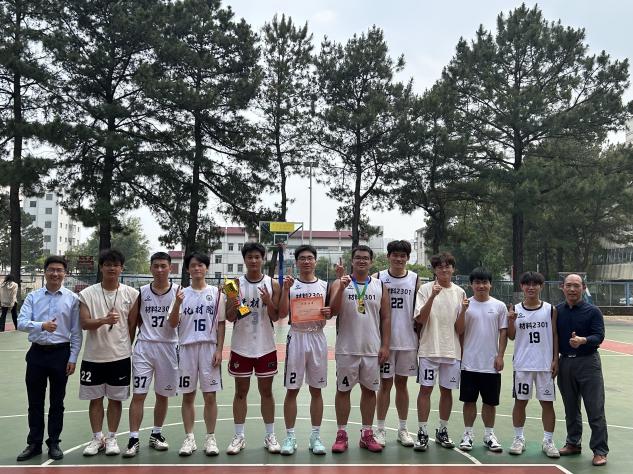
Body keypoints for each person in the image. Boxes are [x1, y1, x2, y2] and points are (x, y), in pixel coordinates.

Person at [15, 256, 82, 461]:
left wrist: (73, 358)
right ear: (45, 272)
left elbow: (76, 332)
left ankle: (54, 442)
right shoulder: (33, 297)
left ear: (65, 273)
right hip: (36, 354)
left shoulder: (72, 299)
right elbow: (21, 322)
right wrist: (41, 326)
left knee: (57, 402)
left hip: (60, 354)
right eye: (51, 269)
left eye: (59, 270)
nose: (55, 273)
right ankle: (34, 444)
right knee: (35, 402)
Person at [329, 245, 391, 453]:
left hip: (371, 349)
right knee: (343, 391)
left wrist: (385, 345)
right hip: (347, 348)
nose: (362, 261)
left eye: (365, 258)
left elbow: (386, 317)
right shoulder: (340, 282)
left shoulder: (380, 285)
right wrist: (341, 286)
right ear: (352, 261)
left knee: (369, 391)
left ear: (371, 262)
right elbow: (333, 311)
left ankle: (367, 434)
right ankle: (341, 434)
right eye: (358, 258)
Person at [79, 248, 139, 456]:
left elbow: (132, 325)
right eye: (107, 265)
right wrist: (104, 320)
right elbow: (84, 323)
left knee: (115, 399)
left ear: (122, 268)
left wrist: (124, 346)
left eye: (115, 265)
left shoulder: (132, 294)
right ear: (101, 267)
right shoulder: (87, 294)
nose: (112, 268)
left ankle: (112, 437)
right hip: (93, 356)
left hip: (120, 357)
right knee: (95, 400)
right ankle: (97, 438)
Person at [225, 242, 281, 454]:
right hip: (241, 346)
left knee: (266, 392)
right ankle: (239, 436)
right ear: (244, 259)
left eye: (257, 257)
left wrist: (268, 301)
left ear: (263, 259)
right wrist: (236, 305)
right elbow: (230, 317)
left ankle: (270, 435)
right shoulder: (233, 284)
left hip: (265, 346)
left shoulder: (272, 284)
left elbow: (276, 316)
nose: (254, 260)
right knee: (240, 392)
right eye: (250, 257)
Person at [123, 252, 180, 457]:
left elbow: (178, 322)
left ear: (170, 268)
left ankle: (156, 434)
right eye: (156, 266)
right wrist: (128, 348)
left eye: (163, 266)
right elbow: (134, 322)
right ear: (150, 268)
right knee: (139, 394)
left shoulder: (178, 291)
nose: (159, 270)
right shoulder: (142, 292)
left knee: (162, 395)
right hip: (145, 348)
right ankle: (133, 438)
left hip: (169, 347)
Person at [277, 245, 331, 455]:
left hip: (317, 337)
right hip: (297, 337)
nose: (306, 261)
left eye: (310, 258)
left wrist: (328, 312)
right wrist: (285, 290)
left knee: (316, 390)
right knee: (292, 389)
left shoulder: (325, 286)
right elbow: (282, 313)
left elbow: (331, 312)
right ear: (297, 262)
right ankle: (290, 437)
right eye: (302, 258)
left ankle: (315, 437)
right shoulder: (291, 285)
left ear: (315, 261)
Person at [170, 252, 225, 456]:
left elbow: (221, 323)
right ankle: (189, 438)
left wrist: (219, 349)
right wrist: (177, 303)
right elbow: (172, 323)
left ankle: (210, 438)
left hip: (209, 348)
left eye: (201, 265)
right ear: (187, 269)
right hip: (187, 348)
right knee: (188, 395)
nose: (197, 268)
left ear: (206, 268)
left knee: (210, 396)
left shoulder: (217, 293)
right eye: (193, 265)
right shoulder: (180, 294)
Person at [412, 251, 466, 451]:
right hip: (429, 349)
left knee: (447, 391)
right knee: (425, 390)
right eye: (440, 266)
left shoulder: (460, 292)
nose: (444, 269)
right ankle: (422, 431)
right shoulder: (425, 290)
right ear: (434, 270)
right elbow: (420, 319)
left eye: (447, 266)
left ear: (453, 269)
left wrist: (464, 311)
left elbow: (460, 329)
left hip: (452, 351)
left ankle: (442, 430)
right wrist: (433, 297)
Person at [556, 273, 608, 467]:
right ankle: (573, 443)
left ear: (583, 288)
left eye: (576, 286)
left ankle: (600, 451)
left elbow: (599, 336)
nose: (572, 289)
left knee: (595, 408)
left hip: (588, 363)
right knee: (571, 408)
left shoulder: (593, 311)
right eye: (568, 285)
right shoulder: (557, 311)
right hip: (565, 363)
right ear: (562, 287)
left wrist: (583, 340)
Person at [507, 271, 560, 459]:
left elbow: (554, 334)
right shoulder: (515, 309)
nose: (531, 287)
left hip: (544, 365)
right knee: (520, 402)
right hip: (523, 364)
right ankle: (518, 438)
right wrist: (511, 321)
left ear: (541, 286)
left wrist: (555, 359)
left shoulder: (550, 309)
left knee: (547, 403)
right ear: (521, 286)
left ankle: (548, 441)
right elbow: (511, 336)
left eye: (535, 284)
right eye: (527, 284)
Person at [373, 240, 419, 448]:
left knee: (402, 384)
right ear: (388, 256)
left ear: (407, 258)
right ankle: (381, 429)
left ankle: (402, 429)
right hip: (385, 342)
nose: (399, 259)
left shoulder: (415, 279)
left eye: (403, 255)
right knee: (385, 385)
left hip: (408, 341)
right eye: (395, 255)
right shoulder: (378, 277)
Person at [458, 268, 507, 453]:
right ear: (471, 285)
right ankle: (468, 434)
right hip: (469, 363)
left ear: (490, 284)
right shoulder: (465, 305)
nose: (481, 286)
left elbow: (503, 332)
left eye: (484, 282)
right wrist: (463, 311)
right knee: (469, 401)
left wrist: (500, 355)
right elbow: (459, 330)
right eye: (477, 282)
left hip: (490, 364)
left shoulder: (499, 306)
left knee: (490, 402)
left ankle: (489, 435)